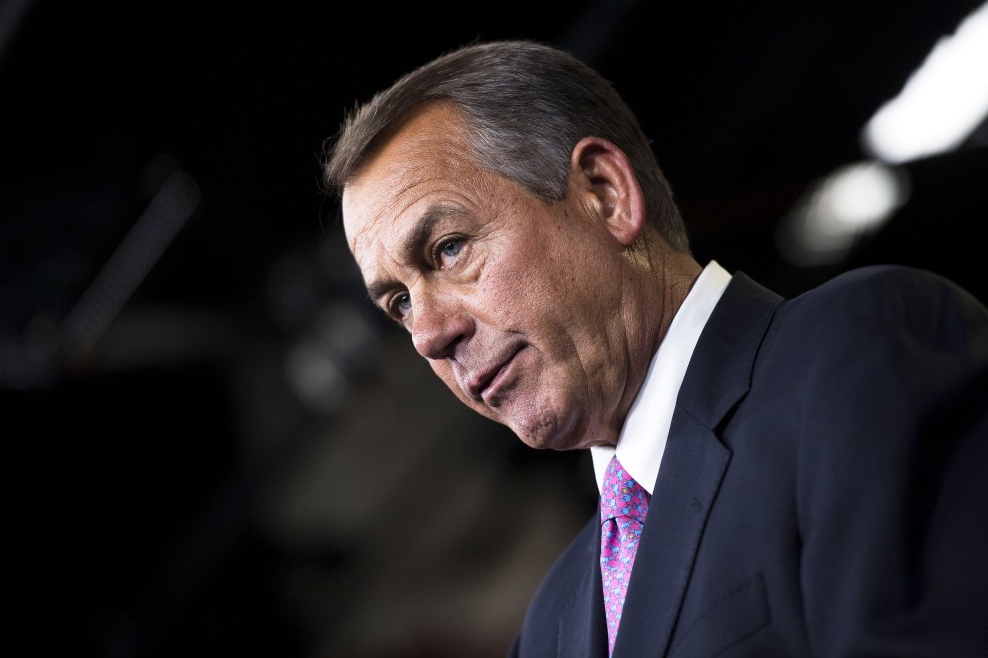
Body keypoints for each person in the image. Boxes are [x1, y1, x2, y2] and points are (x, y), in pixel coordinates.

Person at [321, 39, 988, 657]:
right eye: (400, 303)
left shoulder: (856, 352)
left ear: (605, 195)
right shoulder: (551, 623)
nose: (430, 334)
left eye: (449, 249)